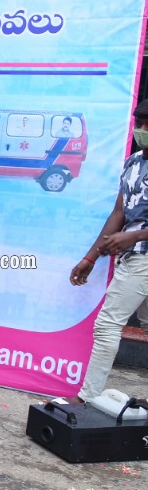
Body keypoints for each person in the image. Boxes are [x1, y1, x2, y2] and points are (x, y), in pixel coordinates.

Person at [66, 100, 148, 404]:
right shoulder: (134, 162)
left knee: (107, 324)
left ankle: (87, 398)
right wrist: (92, 256)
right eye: (139, 123)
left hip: (142, 255)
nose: (141, 129)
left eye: (147, 124)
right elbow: (119, 212)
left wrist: (134, 235)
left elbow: (129, 229)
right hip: (133, 256)